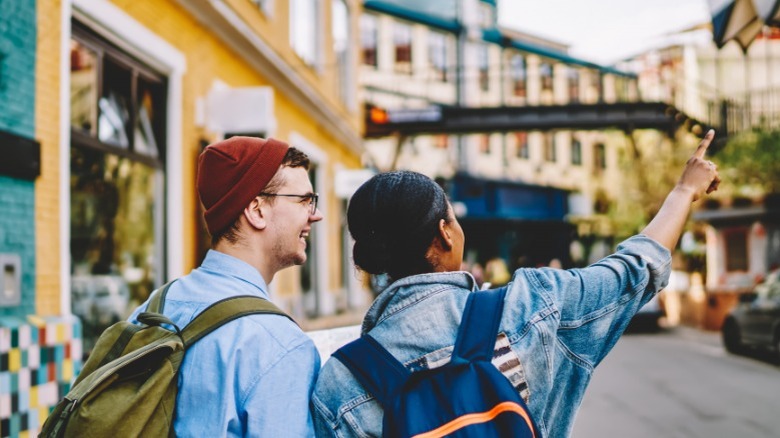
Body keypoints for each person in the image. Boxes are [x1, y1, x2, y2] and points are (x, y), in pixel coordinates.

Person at [312, 130, 721, 437]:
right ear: (445, 234)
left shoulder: (342, 380)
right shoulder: (530, 303)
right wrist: (685, 190)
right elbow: (636, 267)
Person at [129, 136, 323, 437]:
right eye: (305, 200)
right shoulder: (280, 345)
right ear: (257, 210)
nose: (316, 214)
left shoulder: (156, 306)